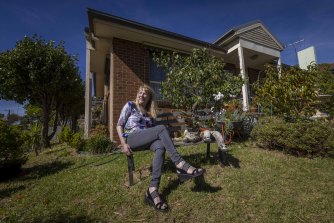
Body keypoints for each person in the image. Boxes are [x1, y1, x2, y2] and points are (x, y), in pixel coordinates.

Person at [116, 84, 205, 212]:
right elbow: (119, 125)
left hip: (144, 139)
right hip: (131, 138)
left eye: (144, 93)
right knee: (162, 128)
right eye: (140, 92)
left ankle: (152, 190)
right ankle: (180, 163)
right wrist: (123, 144)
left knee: (160, 147)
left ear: (149, 98)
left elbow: (152, 133)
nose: (141, 94)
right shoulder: (130, 105)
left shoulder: (148, 114)